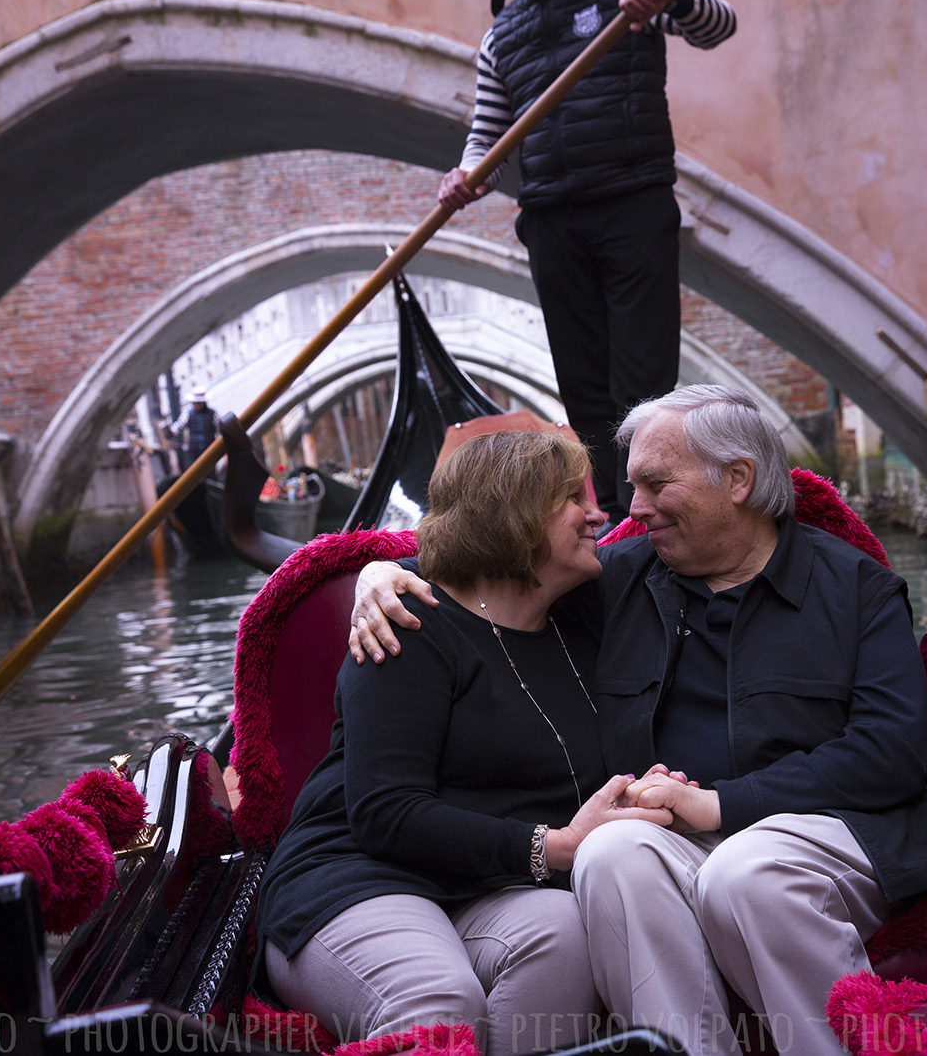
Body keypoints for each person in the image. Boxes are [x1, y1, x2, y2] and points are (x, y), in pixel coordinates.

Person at [349, 385, 927, 1056]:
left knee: (747, 869)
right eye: (631, 486)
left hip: (836, 834)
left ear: (738, 479)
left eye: (655, 484)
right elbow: (493, 572)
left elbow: (890, 752)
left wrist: (719, 803)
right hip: (683, 841)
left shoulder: (856, 589)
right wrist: (382, 574)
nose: (632, 511)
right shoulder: (617, 580)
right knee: (609, 851)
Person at [257, 431, 672, 1056]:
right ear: (514, 514)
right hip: (359, 876)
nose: (599, 514)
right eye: (571, 498)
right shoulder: (409, 624)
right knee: (438, 998)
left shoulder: (585, 617)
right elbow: (382, 812)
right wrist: (554, 846)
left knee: (565, 935)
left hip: (490, 885)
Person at [439, 0, 736, 525]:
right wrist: (467, 175)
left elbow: (718, 27)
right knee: (583, 388)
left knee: (641, 382)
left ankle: (650, 513)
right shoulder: (499, 38)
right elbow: (489, 136)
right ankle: (621, 524)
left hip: (633, 203)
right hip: (552, 220)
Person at [170, 389, 216, 469]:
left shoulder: (212, 414)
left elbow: (219, 429)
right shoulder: (188, 414)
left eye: (199, 403)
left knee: (209, 471)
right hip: (194, 450)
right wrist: (172, 431)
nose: (196, 405)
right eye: (195, 403)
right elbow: (179, 425)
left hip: (209, 448)